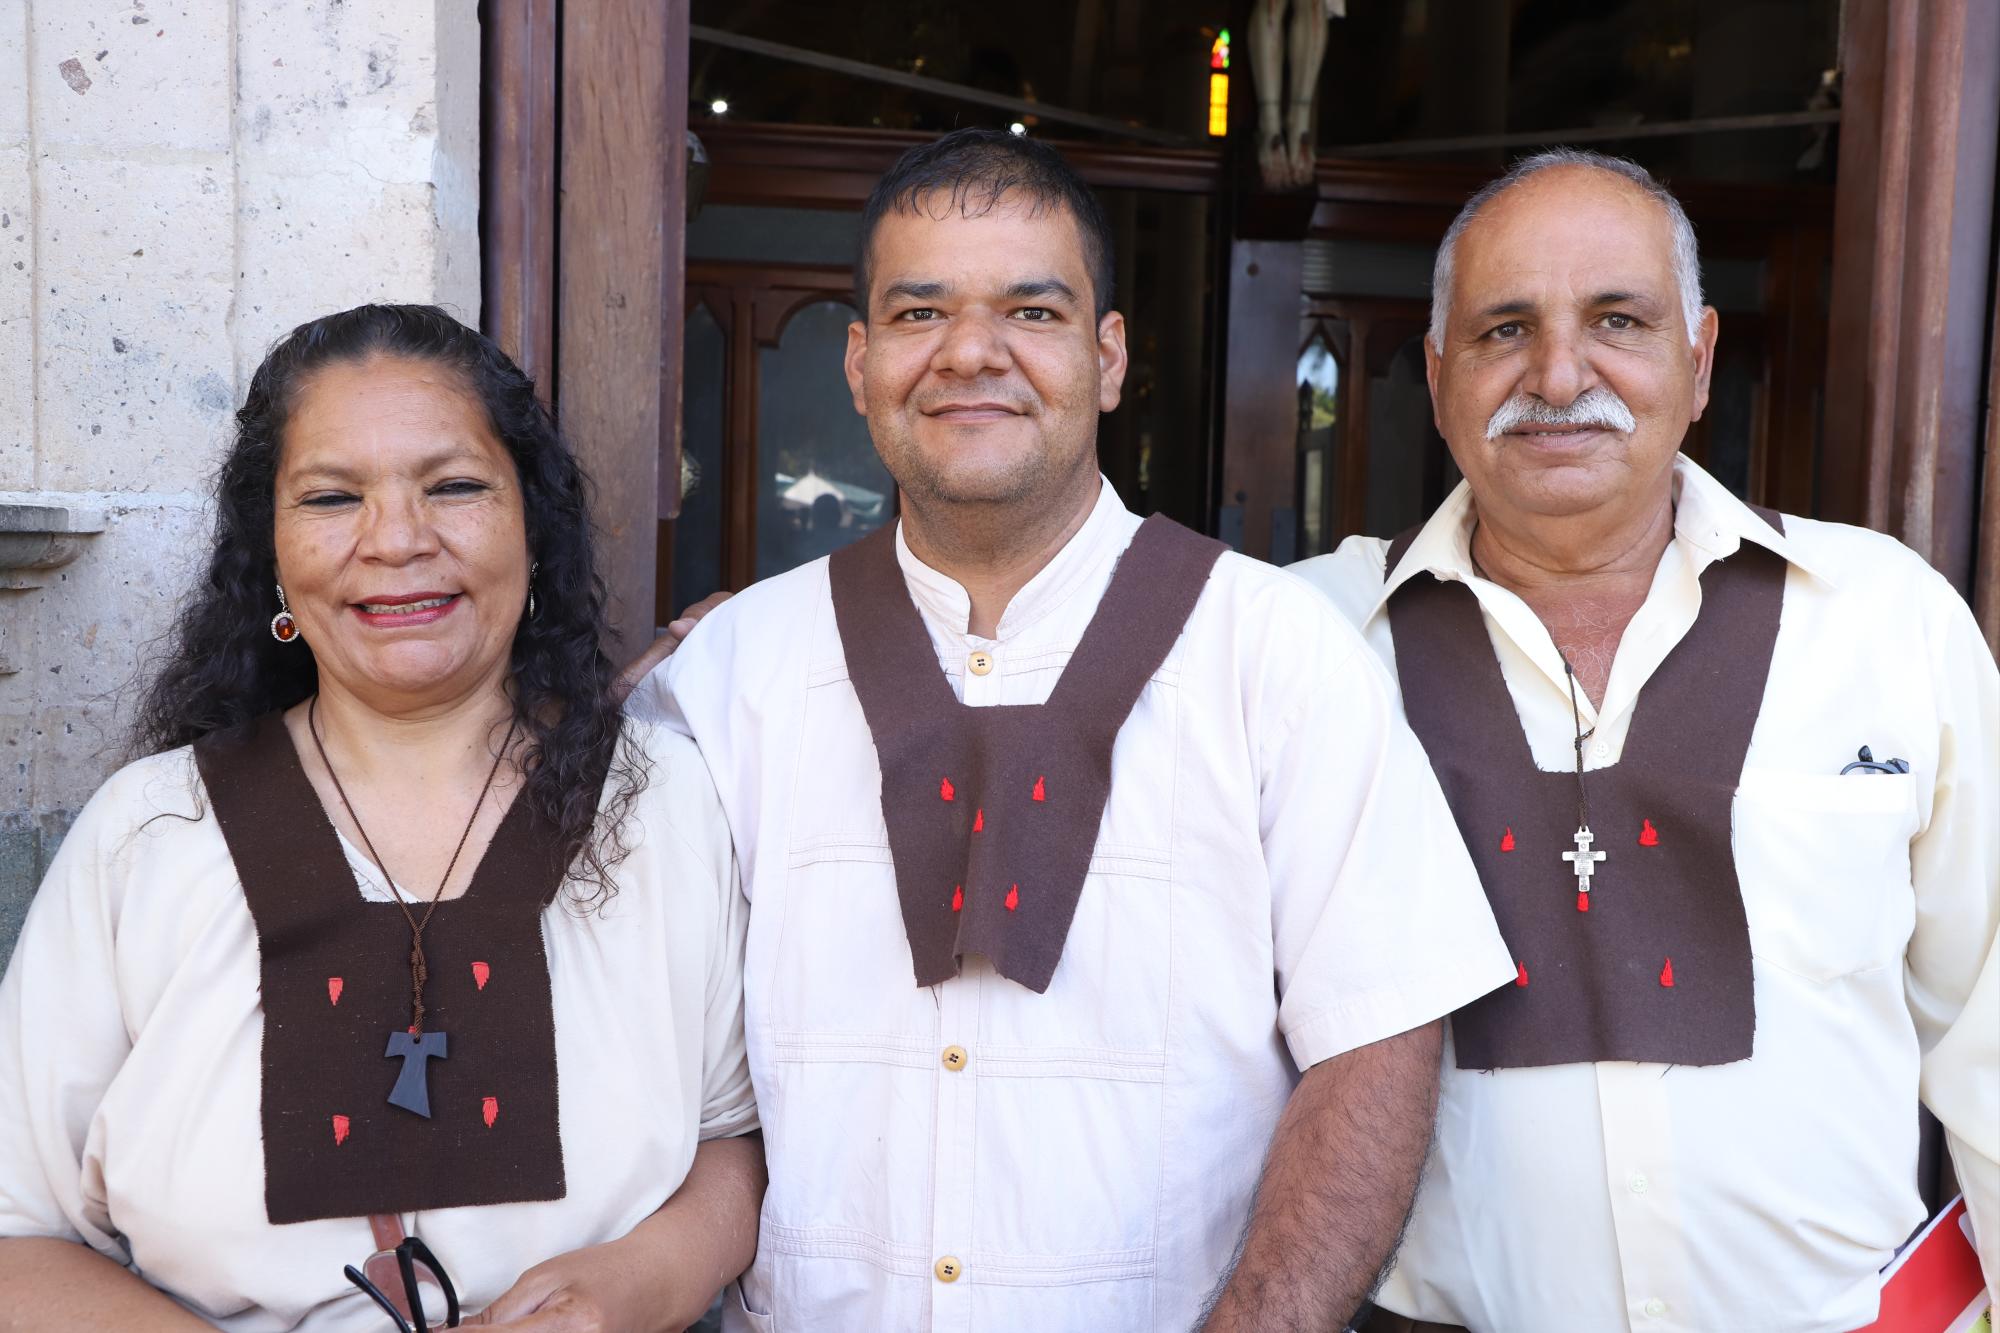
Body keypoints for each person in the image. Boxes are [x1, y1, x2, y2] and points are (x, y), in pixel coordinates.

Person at [625, 128, 1515, 1331]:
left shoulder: (1272, 653)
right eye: (918, 311)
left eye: (1030, 312)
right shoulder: (731, 674)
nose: (969, 353)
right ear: (856, 360)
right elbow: (658, 1064)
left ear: (1106, 358)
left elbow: (1378, 1035)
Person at [1290, 149, 1999, 1332]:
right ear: (1434, 373)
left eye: (1615, 319)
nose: (1558, 372)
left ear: (1699, 357)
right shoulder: (1310, 640)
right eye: (1502, 328)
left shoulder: (1884, 619)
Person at [0, 305, 764, 1330]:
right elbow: (16, 1231)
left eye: (452, 486)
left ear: (531, 525)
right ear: (269, 552)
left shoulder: (663, 804)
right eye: (330, 496)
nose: (398, 540)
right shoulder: (149, 834)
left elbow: (735, 1138)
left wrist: (640, 1283)